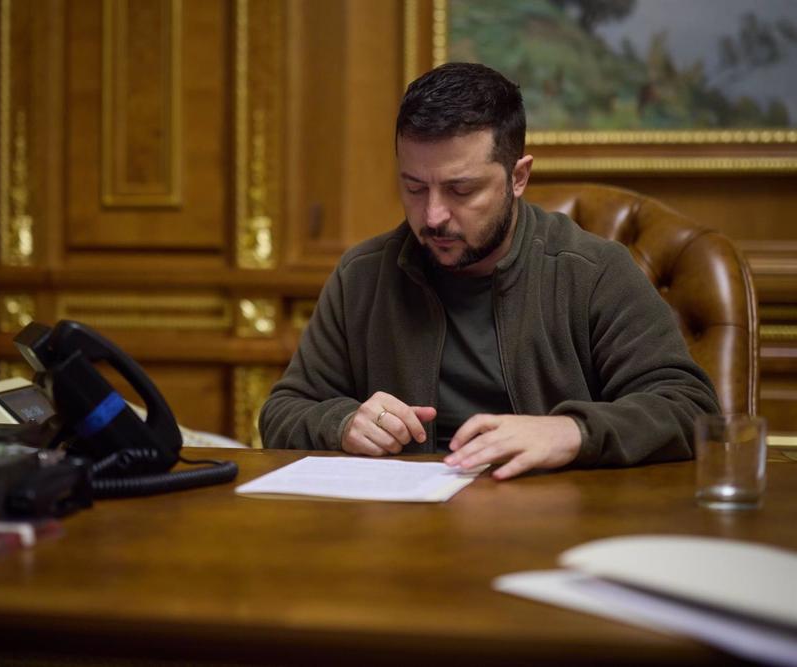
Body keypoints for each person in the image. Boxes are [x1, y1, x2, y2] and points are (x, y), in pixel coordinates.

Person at [258, 62, 720, 480]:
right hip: (407, 524)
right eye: (414, 188)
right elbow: (283, 410)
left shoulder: (593, 272)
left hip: (553, 519)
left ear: (518, 177)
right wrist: (342, 423)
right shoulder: (364, 274)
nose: (433, 215)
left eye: (461, 190)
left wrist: (572, 431)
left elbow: (691, 408)